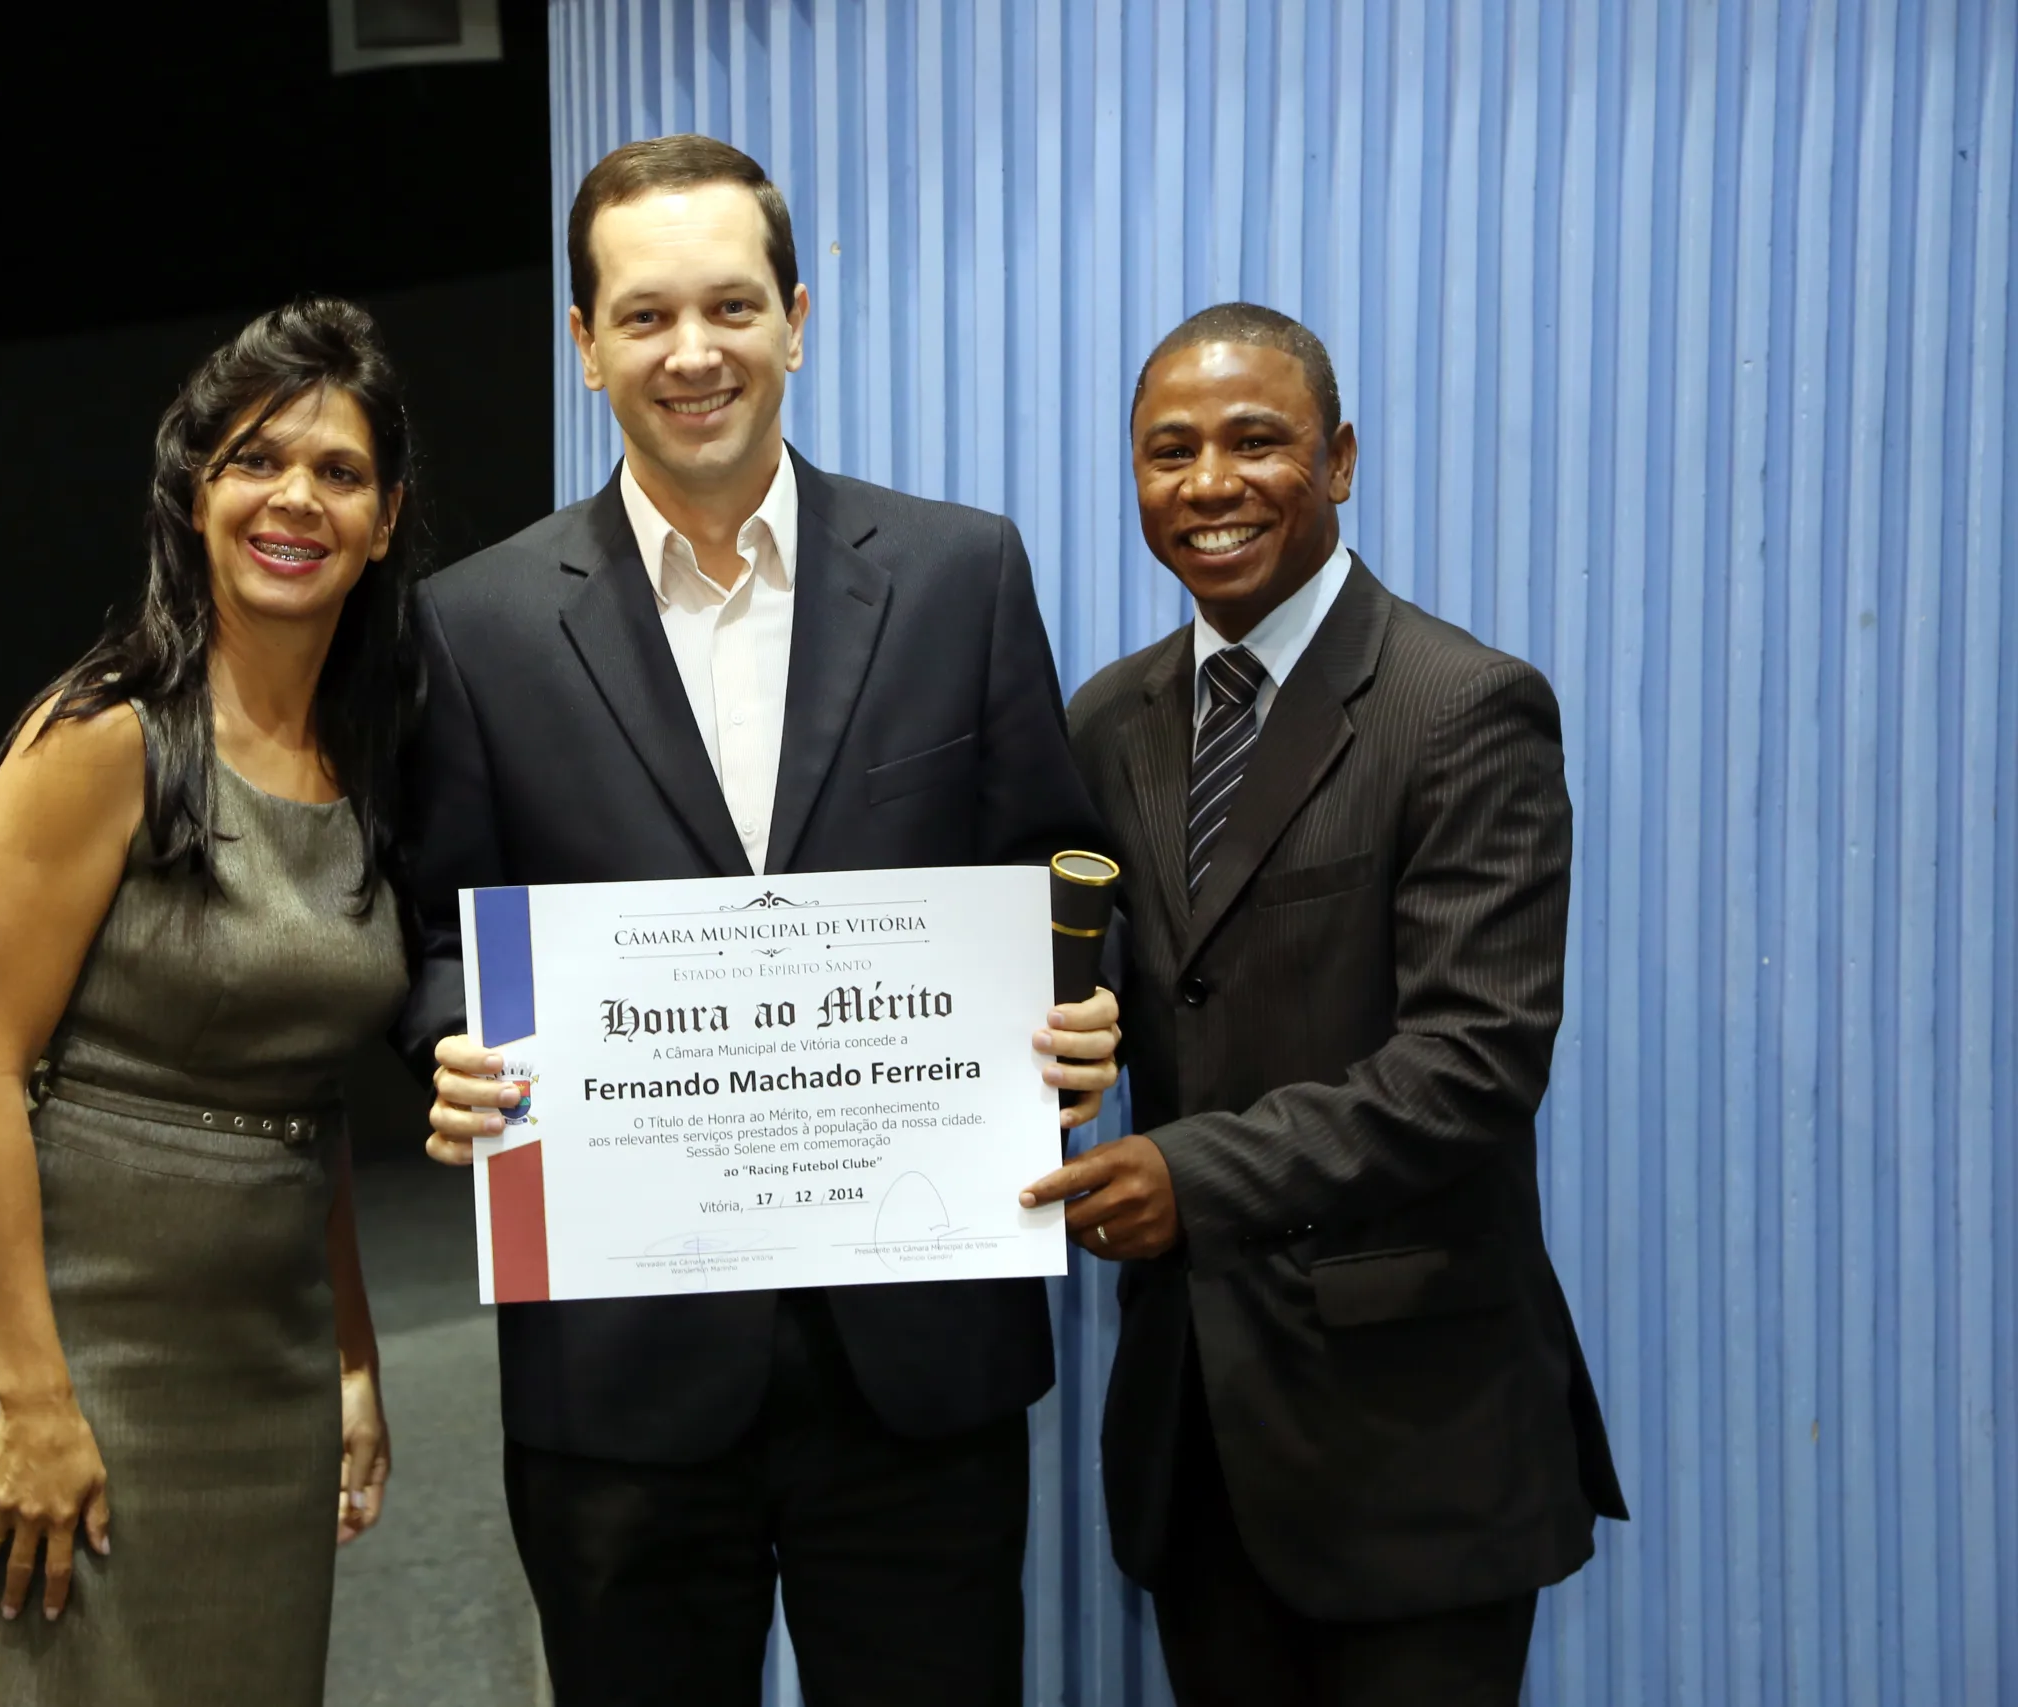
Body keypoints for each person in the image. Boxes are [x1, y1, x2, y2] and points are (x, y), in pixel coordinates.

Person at [399, 135, 1119, 1706]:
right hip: (622, 1369)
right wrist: (443, 1039)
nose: (694, 351)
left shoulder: (957, 574)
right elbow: (439, 930)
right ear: (583, 345)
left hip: (915, 1359)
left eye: (731, 305)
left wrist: (1085, 1004)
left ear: (797, 317)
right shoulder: (477, 623)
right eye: (645, 316)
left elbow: (1060, 872)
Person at [1031, 303, 1628, 1705]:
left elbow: (1475, 1061)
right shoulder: (1107, 718)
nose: (1210, 483)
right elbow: (1091, 984)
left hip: (1413, 1441)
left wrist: (1191, 1172)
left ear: (1341, 458)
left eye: (1258, 441)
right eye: (1168, 451)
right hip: (1198, 1439)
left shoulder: (1463, 705)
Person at [0, 298, 419, 1705]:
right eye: (254, 459)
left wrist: (354, 1359)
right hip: (79, 1336)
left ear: (384, 519)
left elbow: (306, 1100)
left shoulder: (368, 758)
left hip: (268, 1354)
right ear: (197, 495)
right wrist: (34, 1400)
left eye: (340, 472)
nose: (294, 497)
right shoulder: (104, 735)